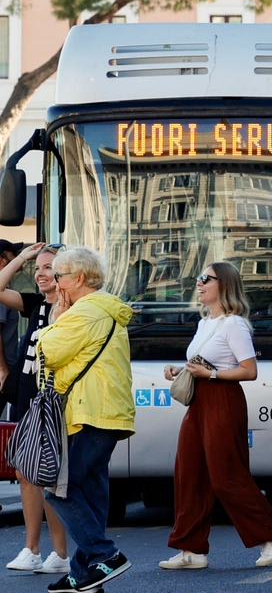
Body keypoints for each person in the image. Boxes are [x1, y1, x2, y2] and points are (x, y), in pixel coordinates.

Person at [160, 262, 272, 570]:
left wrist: (213, 374)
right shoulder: (206, 322)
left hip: (223, 399)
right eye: (199, 277)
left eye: (207, 278)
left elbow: (249, 370)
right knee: (188, 472)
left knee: (225, 475)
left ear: (225, 284)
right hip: (199, 400)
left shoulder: (235, 324)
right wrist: (179, 369)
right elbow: (202, 362)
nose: (200, 283)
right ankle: (190, 549)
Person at [36, 245, 135, 592]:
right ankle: (84, 572)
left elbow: (46, 352)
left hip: (90, 412)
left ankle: (105, 556)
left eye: (59, 276)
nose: (55, 284)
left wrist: (55, 321)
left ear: (78, 278)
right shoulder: (101, 308)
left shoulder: (85, 312)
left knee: (58, 489)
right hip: (103, 411)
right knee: (91, 494)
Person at [0, 243, 70, 574]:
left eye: (47, 268)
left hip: (53, 400)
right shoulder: (36, 305)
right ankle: (33, 549)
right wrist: (22, 258)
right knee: (25, 473)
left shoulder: (73, 309)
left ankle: (59, 552)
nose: (40, 274)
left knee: (48, 475)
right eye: (38, 268)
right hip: (27, 398)